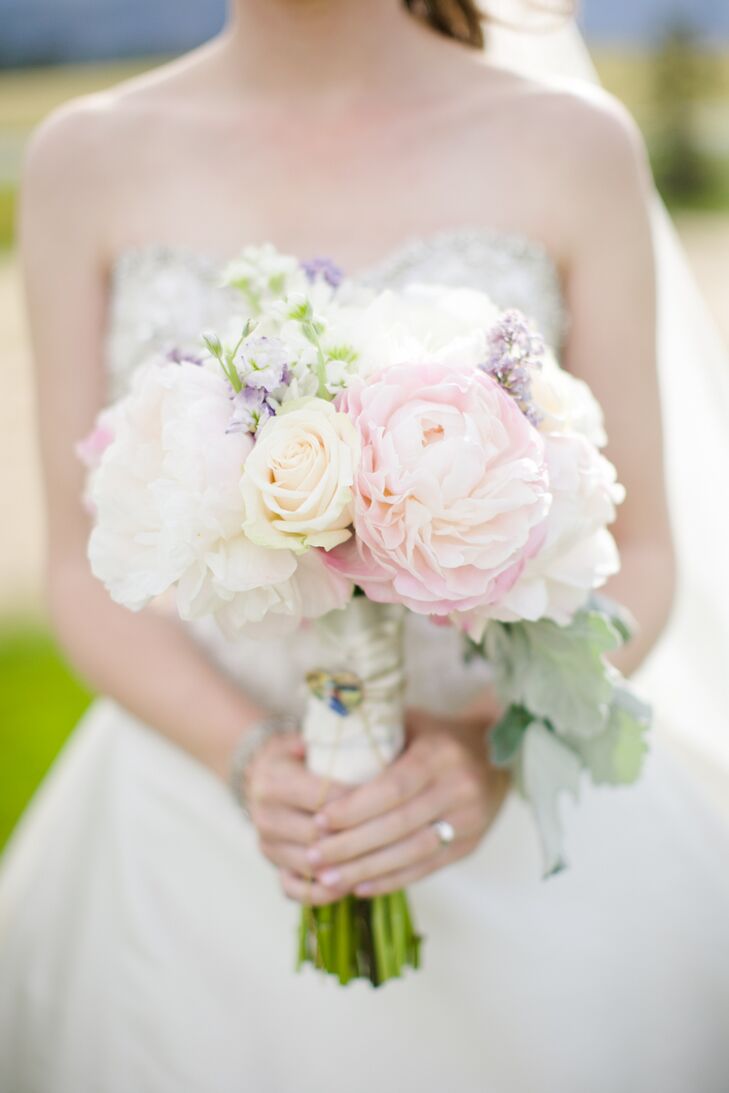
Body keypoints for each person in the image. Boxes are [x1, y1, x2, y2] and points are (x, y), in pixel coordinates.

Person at [1, 2, 728, 1091]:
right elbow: (81, 567)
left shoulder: (575, 143)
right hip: (193, 823)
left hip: (508, 803)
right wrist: (247, 761)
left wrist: (487, 752)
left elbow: (646, 551)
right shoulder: (83, 158)